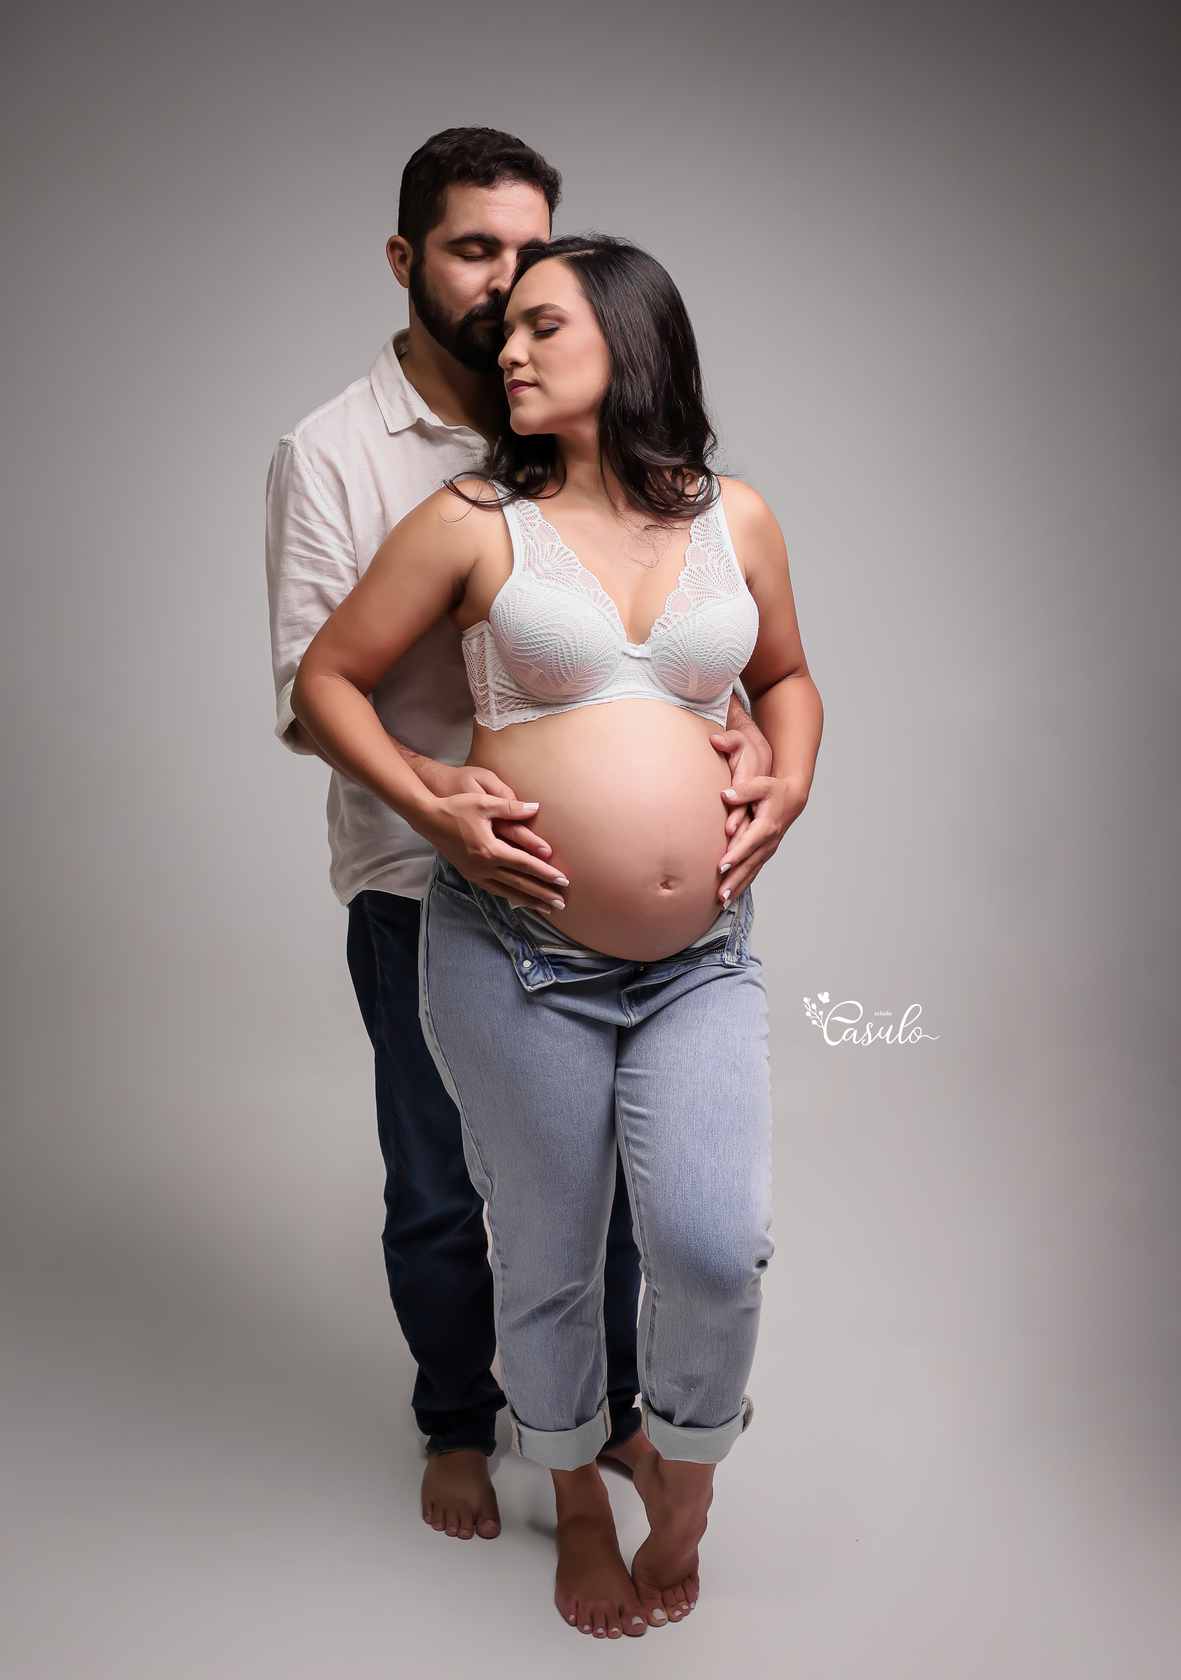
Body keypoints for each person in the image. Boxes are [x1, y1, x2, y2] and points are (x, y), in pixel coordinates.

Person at [291, 236, 823, 1637]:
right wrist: (430, 799)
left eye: (541, 328)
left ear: (631, 341)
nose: (508, 352)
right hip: (516, 954)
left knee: (715, 1242)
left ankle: (685, 1476)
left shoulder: (736, 517)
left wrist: (791, 777)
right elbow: (327, 678)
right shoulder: (474, 519)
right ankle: (579, 1498)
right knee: (548, 1251)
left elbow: (786, 677)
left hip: (701, 959)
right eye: (506, 330)